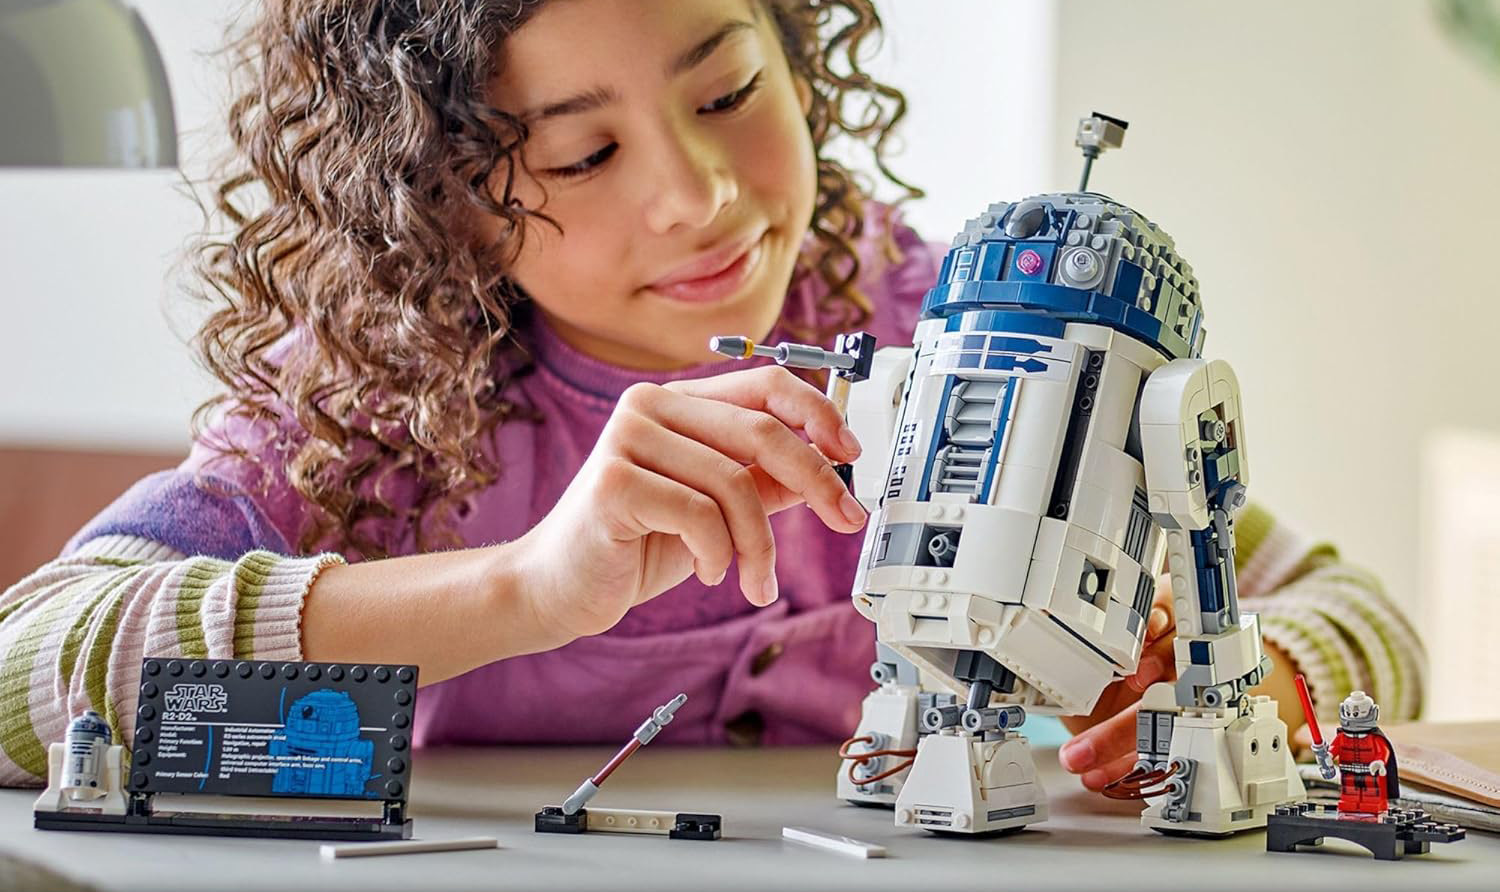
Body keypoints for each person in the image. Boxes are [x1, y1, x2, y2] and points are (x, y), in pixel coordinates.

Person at [0, 0, 1420, 794]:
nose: (702, 195)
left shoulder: (964, 327)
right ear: (436, 203)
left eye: (732, 87)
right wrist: (521, 589)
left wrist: (1250, 679)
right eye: (578, 157)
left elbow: (1356, 612)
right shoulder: (366, 411)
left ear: (802, 59)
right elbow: (24, 672)